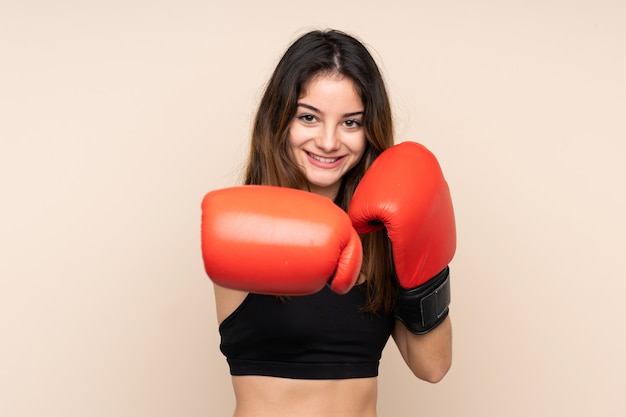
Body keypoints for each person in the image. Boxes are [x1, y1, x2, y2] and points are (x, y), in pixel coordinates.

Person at [200, 29, 456, 417]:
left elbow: (433, 367)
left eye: (351, 123)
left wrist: (423, 259)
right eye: (309, 117)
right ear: (280, 120)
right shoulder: (245, 222)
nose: (329, 141)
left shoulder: (384, 234)